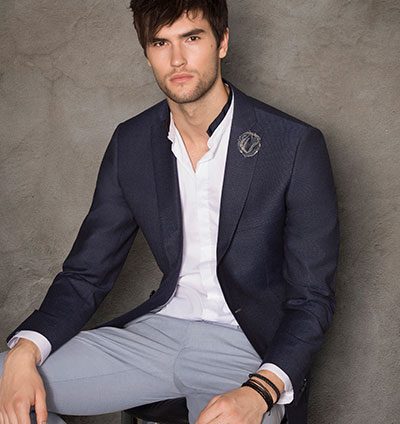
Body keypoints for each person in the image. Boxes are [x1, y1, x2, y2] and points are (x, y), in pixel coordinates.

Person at [0, 1, 340, 423]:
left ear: (222, 42)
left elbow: (312, 299)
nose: (177, 59)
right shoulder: (132, 142)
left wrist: (261, 390)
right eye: (161, 43)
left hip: (249, 349)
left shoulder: (294, 145)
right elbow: (86, 274)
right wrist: (25, 348)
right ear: (147, 53)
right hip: (158, 334)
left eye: (191, 38)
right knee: (7, 380)